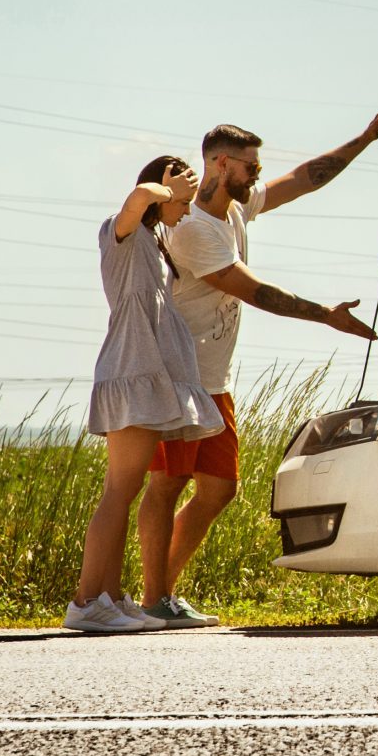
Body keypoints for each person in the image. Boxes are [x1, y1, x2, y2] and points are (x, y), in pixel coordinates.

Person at [135, 114, 378, 628]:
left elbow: (303, 180)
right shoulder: (191, 230)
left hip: (212, 377)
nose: (258, 173)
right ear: (221, 162)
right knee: (168, 483)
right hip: (178, 375)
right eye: (251, 165)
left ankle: (160, 593)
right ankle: (153, 598)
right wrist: (327, 316)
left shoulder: (234, 208)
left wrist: (365, 139)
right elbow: (255, 292)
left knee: (218, 488)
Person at [68, 156, 225, 634]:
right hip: (131, 374)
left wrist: (172, 194)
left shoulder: (154, 246)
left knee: (125, 489)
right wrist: (162, 189)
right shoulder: (123, 232)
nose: (187, 210)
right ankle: (87, 601)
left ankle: (111, 597)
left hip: (144, 377)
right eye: (184, 200)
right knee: (119, 491)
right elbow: (137, 200)